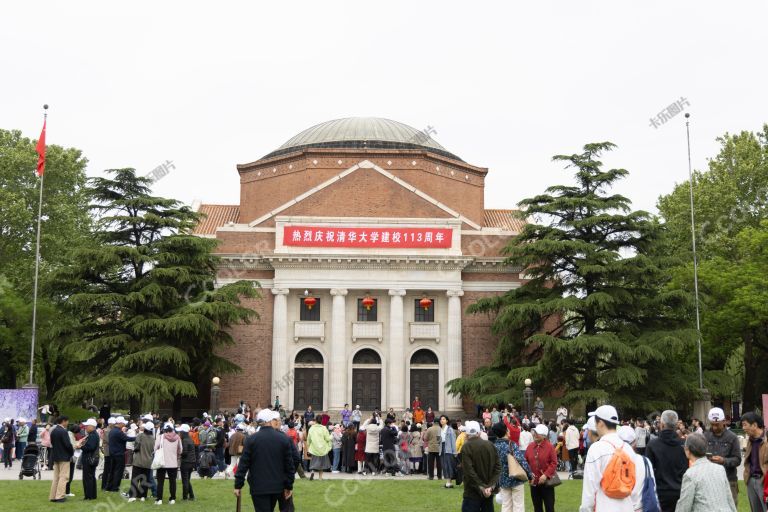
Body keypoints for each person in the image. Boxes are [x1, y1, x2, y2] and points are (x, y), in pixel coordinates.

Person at [234, 409, 295, 512]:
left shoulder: (251, 439)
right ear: (271, 421)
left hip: (259, 486)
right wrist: (289, 485)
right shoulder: (283, 439)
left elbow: (243, 464)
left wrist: (238, 485)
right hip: (277, 486)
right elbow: (289, 466)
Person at [579, 405, 635, 512]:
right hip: (627, 507)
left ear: (600, 423)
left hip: (605, 506)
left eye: (595, 423)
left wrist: (585, 510)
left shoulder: (597, 448)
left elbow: (589, 490)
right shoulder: (628, 448)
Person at [675, 432, 736, 512]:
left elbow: (684, 507)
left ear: (687, 450)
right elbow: (730, 500)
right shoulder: (720, 469)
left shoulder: (690, 474)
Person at [646, 410, 688, 512]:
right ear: (677, 425)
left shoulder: (653, 445)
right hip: (681, 492)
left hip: (660, 493)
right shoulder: (685, 445)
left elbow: (648, 472)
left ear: (662, 424)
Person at [704, 407, 741, 506]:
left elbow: (737, 460)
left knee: (730, 507)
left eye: (717, 424)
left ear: (724, 421)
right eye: (712, 424)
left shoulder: (732, 437)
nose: (714, 427)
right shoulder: (705, 436)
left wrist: (723, 460)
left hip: (729, 480)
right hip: (709, 479)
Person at [460, 421, 501, 512]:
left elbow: (469, 471)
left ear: (466, 434)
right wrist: (490, 487)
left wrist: (483, 487)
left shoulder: (466, 447)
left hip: (472, 492)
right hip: (487, 490)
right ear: (479, 433)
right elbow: (498, 468)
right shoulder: (490, 445)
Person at [492, 422, 532, 512]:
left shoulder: (494, 446)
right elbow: (521, 460)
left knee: (506, 505)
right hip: (516, 478)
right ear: (506, 431)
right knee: (518, 505)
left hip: (502, 479)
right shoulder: (511, 444)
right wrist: (530, 475)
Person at [617, 425, 656, 512]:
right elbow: (652, 487)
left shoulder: (611, 461)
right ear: (635, 442)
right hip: (640, 507)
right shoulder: (645, 461)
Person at [525, 424, 557, 512]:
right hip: (534, 483)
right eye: (534, 432)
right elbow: (525, 462)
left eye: (537, 433)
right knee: (537, 508)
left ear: (543, 436)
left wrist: (546, 475)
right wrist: (529, 475)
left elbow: (554, 463)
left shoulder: (550, 447)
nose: (534, 434)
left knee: (549, 507)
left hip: (547, 483)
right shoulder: (530, 446)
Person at [741, 411, 768, 512]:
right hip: (751, 481)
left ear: (755, 425)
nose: (743, 428)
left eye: (745, 425)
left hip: (765, 482)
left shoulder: (767, 440)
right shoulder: (750, 440)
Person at [154, 424, 182, 505]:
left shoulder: (161, 437)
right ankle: (172, 498)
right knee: (172, 481)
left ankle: (159, 499)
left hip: (162, 462)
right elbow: (180, 450)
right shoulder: (177, 437)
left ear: (164, 430)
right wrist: (176, 455)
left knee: (160, 482)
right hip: (173, 463)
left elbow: (155, 448)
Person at [49, 415, 73, 503]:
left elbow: (52, 443)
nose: (68, 423)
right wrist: (71, 452)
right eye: (67, 421)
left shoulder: (53, 431)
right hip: (64, 457)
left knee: (56, 477)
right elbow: (68, 445)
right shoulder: (63, 431)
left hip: (56, 456)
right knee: (64, 477)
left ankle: (53, 496)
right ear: (63, 421)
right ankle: (59, 496)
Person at [128, 422, 154, 502]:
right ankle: (143, 496)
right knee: (144, 479)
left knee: (135, 478)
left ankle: (133, 496)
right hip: (148, 461)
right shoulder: (153, 438)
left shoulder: (140, 436)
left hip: (138, 461)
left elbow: (136, 446)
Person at [79, 418, 100, 501]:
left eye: (87, 426)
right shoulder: (92, 434)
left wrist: (81, 446)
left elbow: (90, 447)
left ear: (92, 426)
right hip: (90, 458)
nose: (85, 427)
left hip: (89, 459)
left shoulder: (93, 435)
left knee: (88, 478)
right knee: (91, 477)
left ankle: (89, 496)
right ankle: (92, 495)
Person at [177, 424, 196, 501]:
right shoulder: (190, 439)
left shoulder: (184, 440)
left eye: (180, 432)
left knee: (185, 480)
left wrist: (179, 454)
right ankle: (191, 496)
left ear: (183, 432)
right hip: (192, 462)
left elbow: (184, 453)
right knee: (187, 480)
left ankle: (185, 497)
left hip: (186, 462)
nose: (179, 433)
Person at [439, 415, 458, 487]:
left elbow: (453, 441)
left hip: (448, 449)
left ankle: (449, 482)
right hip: (442, 448)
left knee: (448, 465)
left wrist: (454, 451)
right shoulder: (440, 429)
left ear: (447, 421)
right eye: (441, 419)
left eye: (443, 419)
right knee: (444, 465)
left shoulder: (450, 429)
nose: (442, 420)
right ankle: (448, 481)